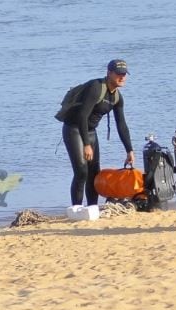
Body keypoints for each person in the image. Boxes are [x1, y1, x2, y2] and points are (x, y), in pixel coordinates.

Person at [60, 59, 135, 206]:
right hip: (74, 129)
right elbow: (82, 115)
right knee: (81, 171)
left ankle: (92, 208)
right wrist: (86, 145)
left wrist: (129, 150)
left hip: (91, 132)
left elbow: (121, 125)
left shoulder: (117, 98)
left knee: (94, 173)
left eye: (124, 74)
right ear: (109, 73)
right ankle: (76, 208)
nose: (122, 77)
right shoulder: (96, 87)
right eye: (119, 74)